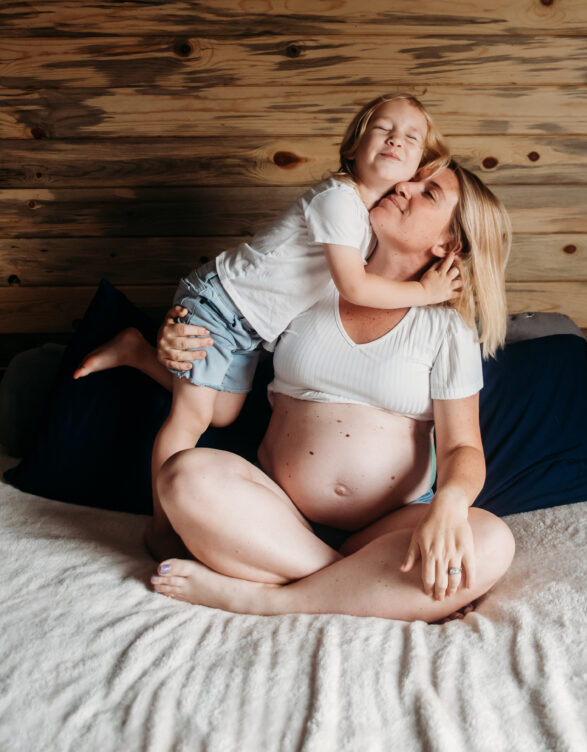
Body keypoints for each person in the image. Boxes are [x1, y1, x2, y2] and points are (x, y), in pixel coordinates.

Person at [84, 160, 516, 622]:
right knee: (183, 475)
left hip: (391, 527)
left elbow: (463, 446)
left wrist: (450, 504)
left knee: (493, 540)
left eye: (428, 193)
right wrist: (175, 337)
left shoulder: (446, 328)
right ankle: (358, 585)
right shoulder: (309, 286)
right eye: (412, 178)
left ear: (446, 243)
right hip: (272, 517)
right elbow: (221, 322)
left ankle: (267, 598)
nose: (405, 185)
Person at [77, 94, 462, 557]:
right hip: (223, 303)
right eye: (383, 129)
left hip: (250, 329)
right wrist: (425, 293)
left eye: (411, 138)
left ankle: (137, 351)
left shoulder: (364, 233)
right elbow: (356, 288)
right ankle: (161, 527)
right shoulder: (338, 202)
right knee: (193, 418)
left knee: (224, 414)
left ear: (420, 163)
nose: (395, 141)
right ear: (353, 147)